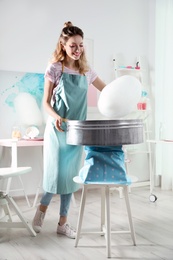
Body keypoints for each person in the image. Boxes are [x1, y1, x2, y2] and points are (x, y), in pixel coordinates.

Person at [32, 21, 106, 239]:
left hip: (77, 130)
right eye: (73, 45)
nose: (78, 49)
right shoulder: (55, 68)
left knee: (70, 177)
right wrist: (56, 117)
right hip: (57, 129)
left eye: (81, 45)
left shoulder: (86, 71)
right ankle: (41, 212)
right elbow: (45, 103)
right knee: (56, 174)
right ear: (63, 45)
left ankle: (63, 223)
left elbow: (106, 90)